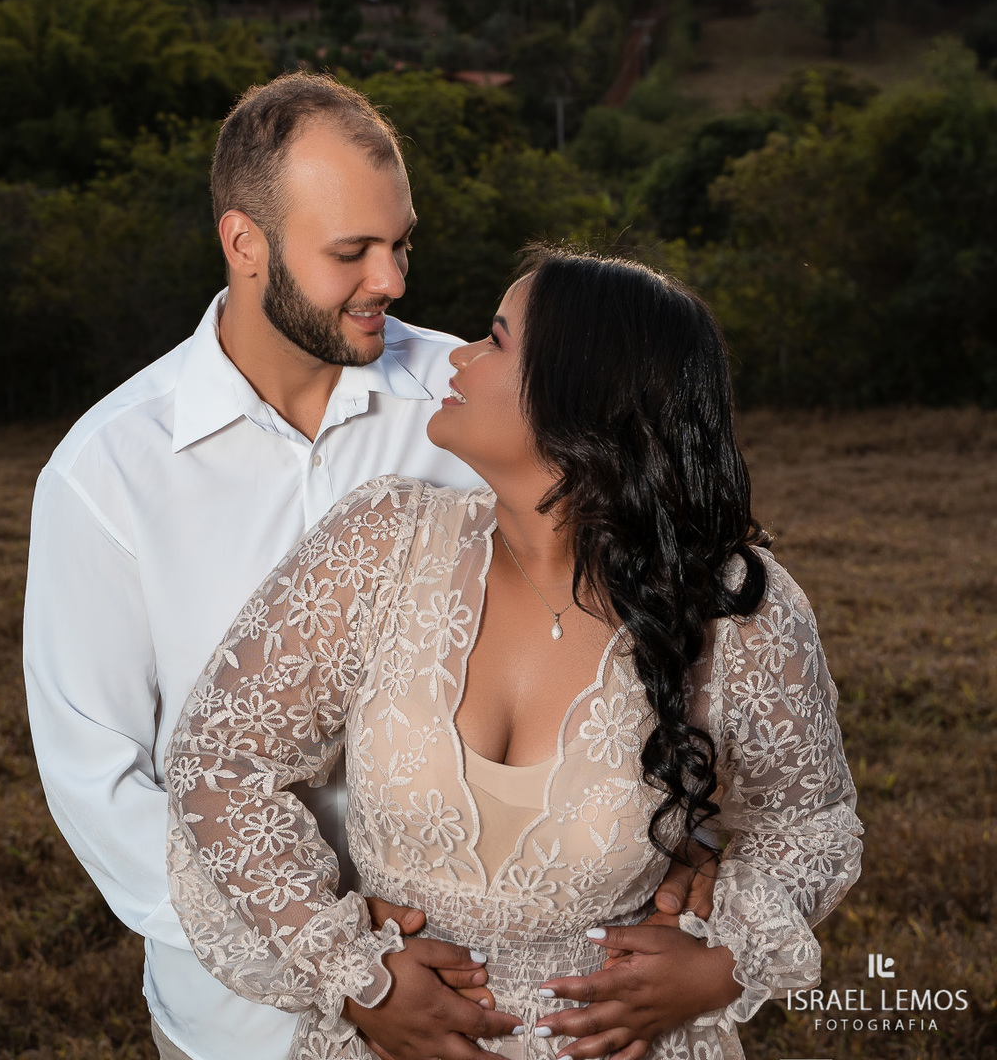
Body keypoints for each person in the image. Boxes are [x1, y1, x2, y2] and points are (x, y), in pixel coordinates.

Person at [24, 79, 710, 1060]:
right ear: (244, 243)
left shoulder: (483, 402)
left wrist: (692, 841)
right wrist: (340, 965)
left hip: (508, 1009)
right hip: (243, 1026)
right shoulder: (108, 475)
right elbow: (101, 784)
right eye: (351, 252)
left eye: (402, 243)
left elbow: (653, 623)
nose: (391, 278)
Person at [165, 250, 863, 1060]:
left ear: (580, 398)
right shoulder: (380, 543)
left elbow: (810, 821)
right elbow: (219, 762)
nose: (457, 356)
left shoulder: (734, 606)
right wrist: (358, 974)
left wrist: (722, 964)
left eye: (494, 341)